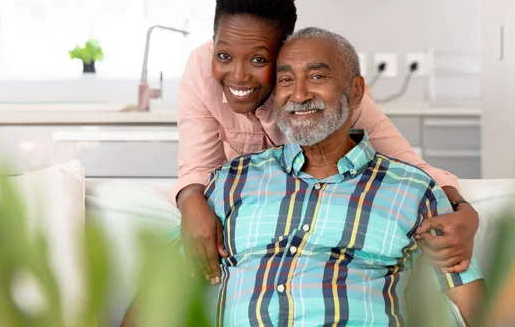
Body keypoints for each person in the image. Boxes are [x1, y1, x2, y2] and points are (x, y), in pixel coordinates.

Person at [173, 0, 479, 285]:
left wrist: (463, 210)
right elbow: (198, 168)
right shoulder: (201, 70)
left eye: (258, 60)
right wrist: (192, 202)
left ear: (283, 56)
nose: (238, 75)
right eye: (224, 55)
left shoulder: (334, 99)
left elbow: (408, 164)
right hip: (252, 203)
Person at [197, 27, 484, 326]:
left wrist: (464, 209)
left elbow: (476, 307)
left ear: (355, 90)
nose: (299, 94)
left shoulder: (413, 190)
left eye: (317, 77)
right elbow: (164, 290)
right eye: (285, 80)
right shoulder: (233, 181)